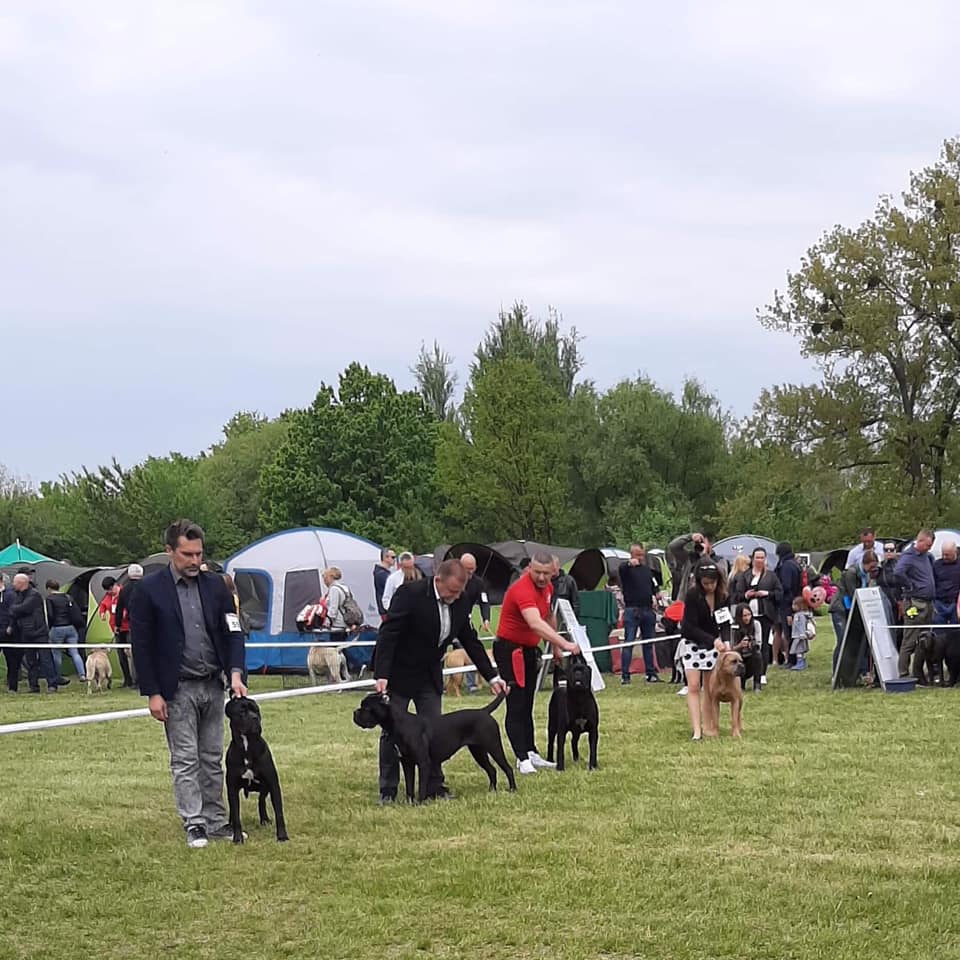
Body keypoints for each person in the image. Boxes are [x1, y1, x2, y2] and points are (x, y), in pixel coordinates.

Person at [130, 520, 246, 849]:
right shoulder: (149, 590)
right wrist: (153, 692)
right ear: (170, 552)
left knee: (212, 757)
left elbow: (233, 632)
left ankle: (217, 820)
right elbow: (142, 645)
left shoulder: (217, 587)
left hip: (214, 684)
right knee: (185, 759)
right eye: (187, 554)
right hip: (176, 688)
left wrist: (236, 671)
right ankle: (194, 823)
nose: (195, 561)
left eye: (199, 554)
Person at [373, 558, 507, 803]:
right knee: (392, 733)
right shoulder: (409, 594)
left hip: (429, 675)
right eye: (452, 591)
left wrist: (492, 675)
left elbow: (470, 641)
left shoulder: (461, 600)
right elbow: (388, 634)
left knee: (435, 731)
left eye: (459, 592)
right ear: (438, 580)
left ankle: (433, 786)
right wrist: (381, 673)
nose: (455, 597)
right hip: (400, 673)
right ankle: (388, 790)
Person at [492, 550, 580, 774]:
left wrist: (556, 647)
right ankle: (521, 758)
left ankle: (530, 751)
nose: (541, 578)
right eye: (537, 572)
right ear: (529, 569)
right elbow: (535, 623)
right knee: (516, 704)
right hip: (510, 649)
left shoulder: (548, 588)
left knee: (528, 702)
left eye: (546, 574)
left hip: (530, 649)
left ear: (554, 572)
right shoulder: (522, 589)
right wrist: (566, 643)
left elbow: (548, 616)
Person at [678, 563, 729, 740]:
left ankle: (710, 726)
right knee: (693, 686)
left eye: (713, 583)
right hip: (692, 643)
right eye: (706, 583)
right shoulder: (692, 596)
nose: (710, 586)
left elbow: (725, 621)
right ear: (700, 582)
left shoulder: (722, 596)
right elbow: (689, 627)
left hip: (713, 646)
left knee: (710, 688)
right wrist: (713, 640)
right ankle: (696, 730)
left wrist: (726, 641)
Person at [730, 547, 782, 684]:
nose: (759, 560)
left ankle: (762, 673)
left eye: (762, 557)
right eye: (757, 557)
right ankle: (743, 673)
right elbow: (736, 596)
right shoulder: (744, 575)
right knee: (744, 643)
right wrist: (746, 595)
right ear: (752, 559)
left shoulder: (771, 576)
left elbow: (779, 593)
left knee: (763, 643)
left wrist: (767, 594)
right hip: (747, 615)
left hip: (765, 614)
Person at [7, 573, 63, 693]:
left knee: (45, 659)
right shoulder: (19, 595)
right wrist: (15, 611)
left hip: (39, 632)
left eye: (15, 582)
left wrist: (15, 609)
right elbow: (14, 609)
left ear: (21, 583)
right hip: (25, 632)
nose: (12, 584)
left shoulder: (34, 595)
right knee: (30, 661)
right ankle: (33, 686)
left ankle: (52, 684)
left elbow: (22, 608)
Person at [617, 543, 663, 684]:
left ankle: (651, 673)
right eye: (637, 555)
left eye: (642, 555)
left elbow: (654, 584)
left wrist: (657, 593)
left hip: (648, 610)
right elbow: (620, 570)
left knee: (648, 643)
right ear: (631, 554)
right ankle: (625, 675)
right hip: (632, 610)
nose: (640, 558)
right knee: (629, 642)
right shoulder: (626, 570)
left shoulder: (647, 570)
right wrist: (628, 564)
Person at [895, 530, 936, 682]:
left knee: (925, 640)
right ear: (920, 541)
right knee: (910, 638)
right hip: (914, 603)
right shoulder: (908, 556)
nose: (929, 548)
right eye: (927, 545)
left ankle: (918, 673)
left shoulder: (927, 556)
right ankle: (904, 674)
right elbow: (898, 572)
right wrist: (910, 586)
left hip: (928, 603)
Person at [829, 550, 879, 675]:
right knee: (843, 641)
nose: (873, 569)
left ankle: (854, 672)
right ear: (865, 563)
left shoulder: (866, 575)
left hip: (852, 609)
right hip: (840, 608)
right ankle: (837, 673)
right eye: (871, 566)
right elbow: (852, 594)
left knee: (854, 642)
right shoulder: (850, 573)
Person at [930, 540, 960, 684]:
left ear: (956, 553)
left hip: (955, 604)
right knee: (938, 638)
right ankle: (936, 670)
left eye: (948, 554)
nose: (945, 557)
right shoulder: (936, 565)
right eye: (943, 554)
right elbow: (932, 583)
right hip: (939, 603)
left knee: (955, 638)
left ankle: (954, 671)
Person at [667, 532, 728, 602]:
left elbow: (722, 575)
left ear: (710, 544)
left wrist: (705, 556)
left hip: (711, 601)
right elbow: (673, 547)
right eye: (698, 543)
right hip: (687, 601)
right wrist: (690, 537)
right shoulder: (689, 558)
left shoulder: (719, 560)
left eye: (703, 542)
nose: (700, 545)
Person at [45, 579, 86, 680]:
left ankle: (57, 676)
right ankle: (82, 674)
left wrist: (50, 627)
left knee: (56, 653)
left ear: (49, 588)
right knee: (74, 652)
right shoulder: (67, 597)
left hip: (57, 628)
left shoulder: (50, 599)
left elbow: (50, 615)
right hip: (71, 628)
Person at [113, 564, 145, 687]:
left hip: (134, 624)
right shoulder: (148, 587)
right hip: (149, 624)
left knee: (134, 653)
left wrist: (117, 625)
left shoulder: (124, 590)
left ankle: (133, 680)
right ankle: (142, 680)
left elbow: (119, 609)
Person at [775, 542, 802, 667]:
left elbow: (786, 585)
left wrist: (778, 594)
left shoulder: (786, 566)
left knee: (789, 632)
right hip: (796, 601)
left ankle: (791, 659)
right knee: (794, 631)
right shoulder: (795, 564)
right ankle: (796, 657)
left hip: (787, 603)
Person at [730, 603, 762, 691]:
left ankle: (757, 684)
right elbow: (730, 649)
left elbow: (759, 643)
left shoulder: (756, 624)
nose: (747, 618)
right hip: (738, 658)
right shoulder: (734, 627)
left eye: (749, 614)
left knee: (758, 656)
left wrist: (752, 644)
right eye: (744, 616)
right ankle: (740, 684)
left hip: (751, 656)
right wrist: (740, 645)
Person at [323, 566, 358, 645]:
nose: (324, 581)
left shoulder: (334, 589)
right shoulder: (345, 588)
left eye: (325, 578)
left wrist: (327, 622)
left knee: (335, 649)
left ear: (330, 577)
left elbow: (333, 609)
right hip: (346, 623)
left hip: (337, 625)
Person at [876, 542, 903, 630]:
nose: (888, 552)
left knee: (898, 625)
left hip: (898, 600)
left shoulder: (900, 565)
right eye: (886, 550)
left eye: (891, 550)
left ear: (895, 551)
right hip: (883, 600)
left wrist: (900, 601)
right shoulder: (880, 566)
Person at [1, 572, 21, 691]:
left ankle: (13, 686)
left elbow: (14, 612)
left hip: (8, 632)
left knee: (12, 661)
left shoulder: (11, 595)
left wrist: (11, 626)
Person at [788, 595, 814, 671]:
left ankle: (800, 663)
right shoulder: (798, 615)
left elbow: (801, 625)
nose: (792, 606)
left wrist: (802, 634)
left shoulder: (800, 616)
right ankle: (802, 662)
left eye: (794, 604)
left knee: (798, 650)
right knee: (800, 650)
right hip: (798, 635)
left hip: (799, 636)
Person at [373, 547, 396, 618]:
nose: (394, 559)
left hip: (386, 609)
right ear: (386, 558)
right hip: (387, 610)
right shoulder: (382, 574)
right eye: (393, 557)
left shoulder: (382, 573)